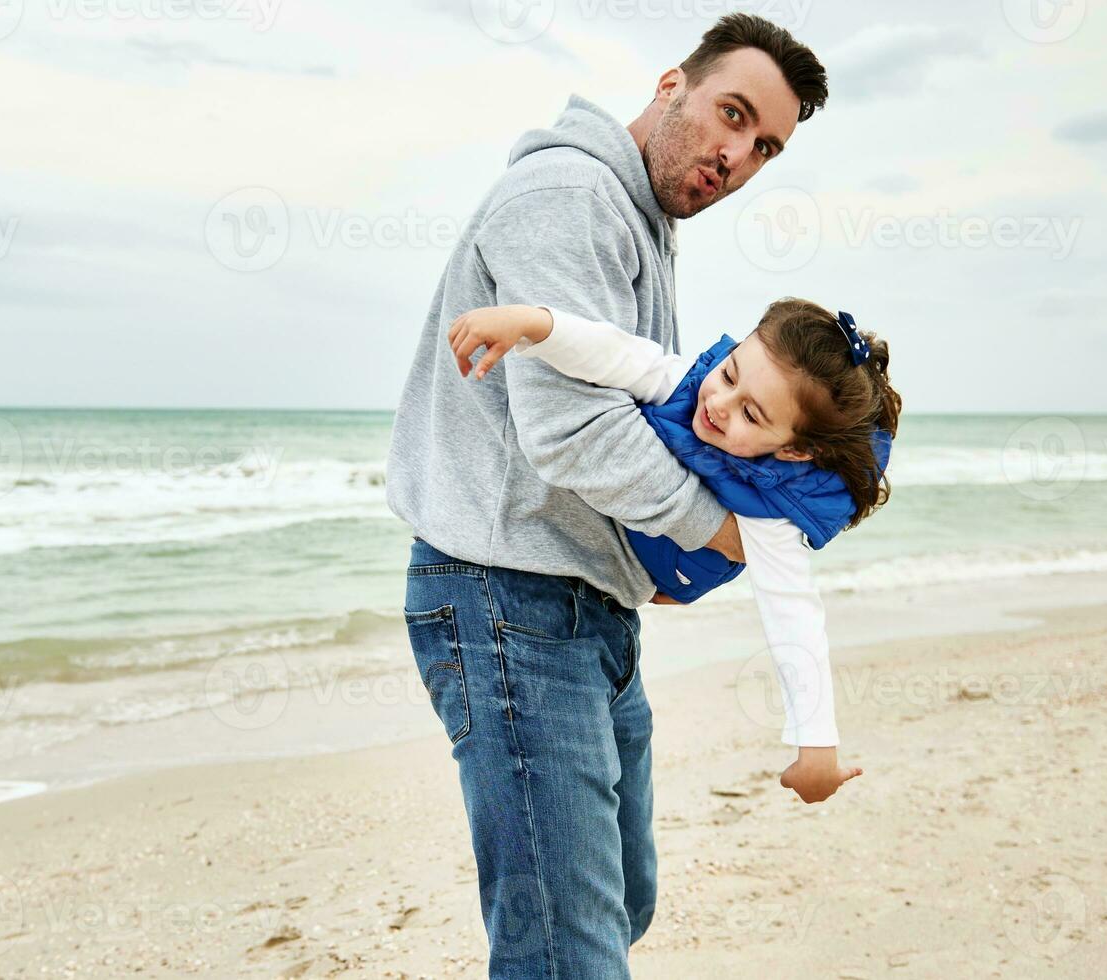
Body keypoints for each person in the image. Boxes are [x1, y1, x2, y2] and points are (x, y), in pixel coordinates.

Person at [385, 13, 831, 979]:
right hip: (507, 596)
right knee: (568, 949)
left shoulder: (640, 221)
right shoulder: (571, 196)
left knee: (620, 901)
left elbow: (640, 393)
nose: (735, 154)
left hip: (583, 602)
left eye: (763, 147)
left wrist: (659, 558)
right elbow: (572, 430)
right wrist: (723, 537)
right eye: (731, 114)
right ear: (672, 84)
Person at [446, 297, 901, 791]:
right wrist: (533, 324)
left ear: (793, 450)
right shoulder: (683, 384)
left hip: (666, 578)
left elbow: (795, 618)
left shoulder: (776, 516)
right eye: (729, 375)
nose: (719, 405)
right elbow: (611, 353)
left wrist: (818, 749)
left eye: (751, 413)